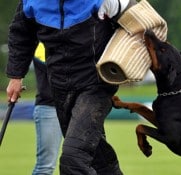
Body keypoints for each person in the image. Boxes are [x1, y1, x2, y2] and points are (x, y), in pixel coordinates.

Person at [6, 0, 135, 174]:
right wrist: (16, 76)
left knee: (73, 157)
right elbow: (21, 34)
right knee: (97, 155)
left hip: (96, 83)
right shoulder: (31, 2)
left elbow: (142, 20)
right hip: (59, 85)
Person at [32, 43, 62, 175]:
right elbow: (56, 67)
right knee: (46, 167)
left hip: (79, 106)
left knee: (83, 161)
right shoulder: (41, 43)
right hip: (50, 107)